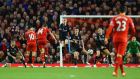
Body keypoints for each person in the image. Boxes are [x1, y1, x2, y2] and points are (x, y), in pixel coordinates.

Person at [105, 6, 136, 77]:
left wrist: (106, 37)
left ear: (119, 11)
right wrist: (130, 37)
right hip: (123, 39)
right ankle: (115, 71)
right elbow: (133, 31)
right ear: (126, 11)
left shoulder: (114, 18)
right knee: (119, 55)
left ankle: (122, 71)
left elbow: (109, 29)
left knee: (119, 56)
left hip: (115, 39)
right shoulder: (129, 19)